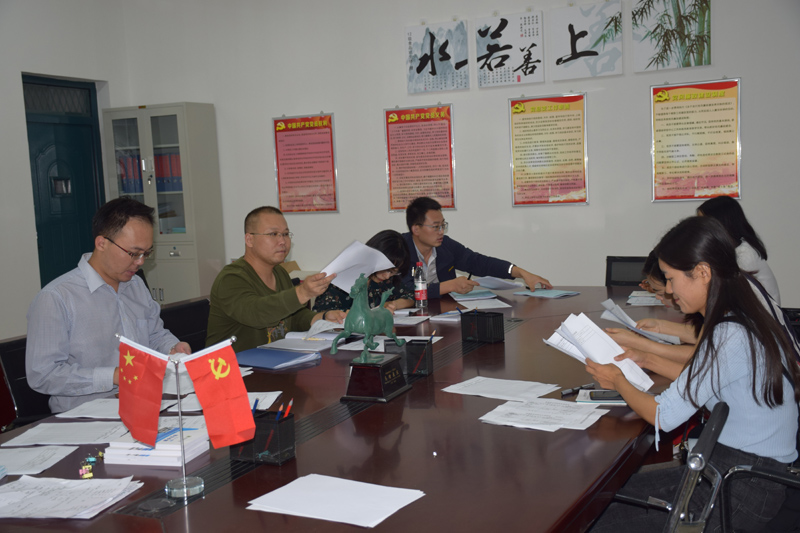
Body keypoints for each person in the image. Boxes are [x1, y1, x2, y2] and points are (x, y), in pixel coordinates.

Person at [587, 216, 800, 532]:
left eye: (671, 279)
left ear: (702, 272)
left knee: (598, 520)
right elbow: (707, 382)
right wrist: (645, 358)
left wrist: (617, 380)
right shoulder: (741, 309)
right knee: (603, 500)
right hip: (739, 470)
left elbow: (662, 416)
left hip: (744, 487)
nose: (669, 290)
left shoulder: (729, 334)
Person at [26, 197, 192, 413]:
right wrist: (114, 376)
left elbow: (154, 334)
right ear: (101, 243)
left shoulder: (135, 286)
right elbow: (43, 375)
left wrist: (172, 347)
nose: (141, 261)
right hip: (84, 417)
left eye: (146, 253)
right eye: (133, 253)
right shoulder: (56, 298)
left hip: (142, 403)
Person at [205, 206, 346, 352]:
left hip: (274, 359)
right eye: (273, 234)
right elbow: (256, 314)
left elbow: (291, 318)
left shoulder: (279, 273)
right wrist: (302, 293)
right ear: (249, 239)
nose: (282, 241)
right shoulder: (231, 278)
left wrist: (322, 319)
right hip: (234, 364)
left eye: (285, 234)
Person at [400, 197, 552, 298]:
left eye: (443, 225)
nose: (441, 231)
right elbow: (404, 290)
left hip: (442, 312)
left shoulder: (445, 245)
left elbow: (478, 262)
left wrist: (520, 272)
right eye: (435, 227)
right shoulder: (398, 249)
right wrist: (449, 286)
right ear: (416, 229)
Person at [698, 195, 781, 304]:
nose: (700, 228)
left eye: (704, 223)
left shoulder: (744, 256)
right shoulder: (730, 251)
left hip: (759, 314)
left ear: (721, 223)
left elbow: (724, 297)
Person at [314, 230, 414, 313]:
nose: (387, 276)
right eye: (386, 269)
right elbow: (321, 314)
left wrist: (393, 304)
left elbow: (410, 297)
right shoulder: (340, 278)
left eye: (393, 271)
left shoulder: (386, 281)